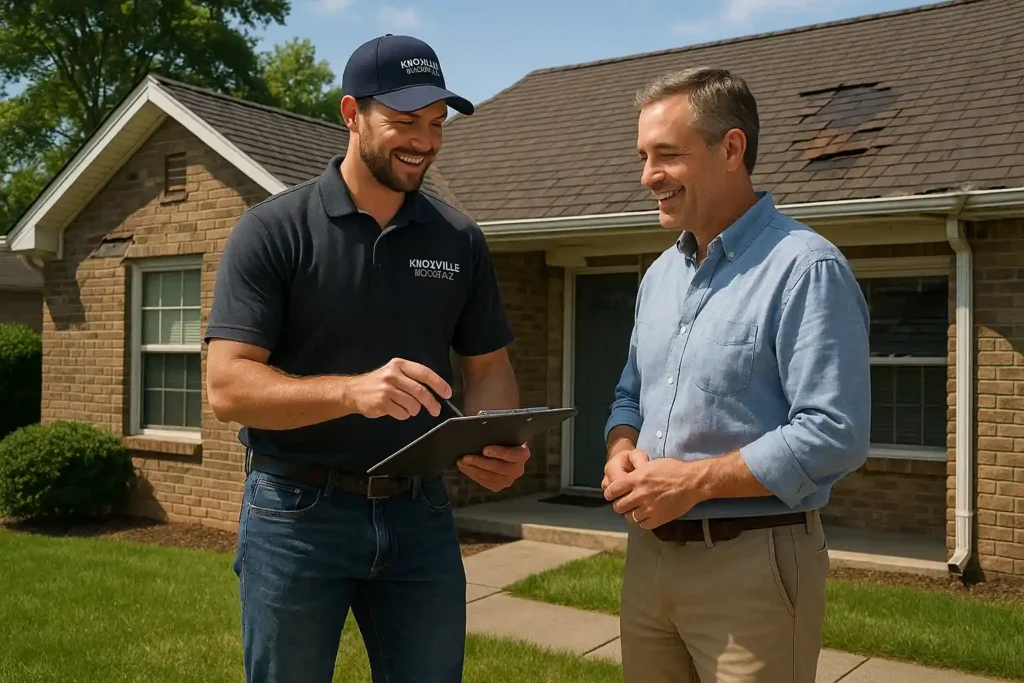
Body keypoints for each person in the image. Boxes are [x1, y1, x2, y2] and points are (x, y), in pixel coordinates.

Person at [203, 34, 530, 683]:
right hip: (296, 512)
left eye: (436, 124)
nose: (426, 140)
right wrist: (353, 392)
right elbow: (227, 386)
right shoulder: (274, 231)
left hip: (422, 516)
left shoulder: (459, 240)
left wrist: (494, 437)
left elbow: (488, 369)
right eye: (406, 121)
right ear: (351, 114)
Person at [601, 67, 871, 683]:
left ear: (731, 149)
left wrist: (695, 483)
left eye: (667, 155)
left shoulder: (805, 268)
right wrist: (622, 451)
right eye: (644, 157)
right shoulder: (659, 277)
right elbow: (627, 397)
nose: (648, 177)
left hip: (755, 565)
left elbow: (835, 429)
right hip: (649, 562)